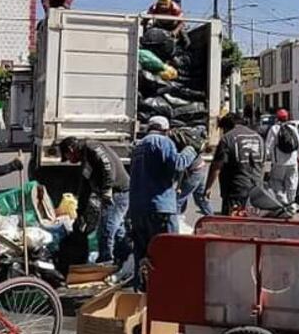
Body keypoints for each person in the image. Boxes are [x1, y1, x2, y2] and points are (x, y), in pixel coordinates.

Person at [128, 116, 196, 290]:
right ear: (165, 130)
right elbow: (177, 165)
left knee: (142, 253)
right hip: (160, 208)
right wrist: (191, 149)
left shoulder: (138, 146)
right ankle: (168, 291)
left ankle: (142, 293)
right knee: (168, 250)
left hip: (137, 208)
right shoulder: (162, 142)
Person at [58, 136, 131, 269]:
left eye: (67, 156)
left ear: (71, 149)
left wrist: (108, 188)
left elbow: (108, 165)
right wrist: (80, 212)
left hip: (118, 193)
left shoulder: (91, 147)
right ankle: (124, 259)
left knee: (106, 229)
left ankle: (105, 262)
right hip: (111, 194)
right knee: (117, 229)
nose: (69, 161)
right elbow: (85, 188)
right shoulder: (85, 160)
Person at [206, 113, 265, 215]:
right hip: (257, 190)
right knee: (253, 222)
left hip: (235, 191)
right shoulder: (258, 138)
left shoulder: (227, 138)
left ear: (227, 126)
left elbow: (217, 166)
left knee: (232, 225)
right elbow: (262, 164)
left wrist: (208, 187)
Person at [170, 129, 213, 216]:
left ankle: (174, 225)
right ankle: (213, 220)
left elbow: (181, 168)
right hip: (200, 168)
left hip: (193, 172)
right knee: (201, 199)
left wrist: (178, 186)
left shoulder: (174, 144)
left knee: (177, 201)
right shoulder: (186, 143)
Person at [264, 109, 299, 204]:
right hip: (292, 162)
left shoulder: (274, 129)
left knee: (276, 182)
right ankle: (292, 203)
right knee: (292, 183)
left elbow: (268, 145)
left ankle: (284, 202)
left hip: (278, 162)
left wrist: (266, 158)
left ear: (277, 118)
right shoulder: (293, 128)